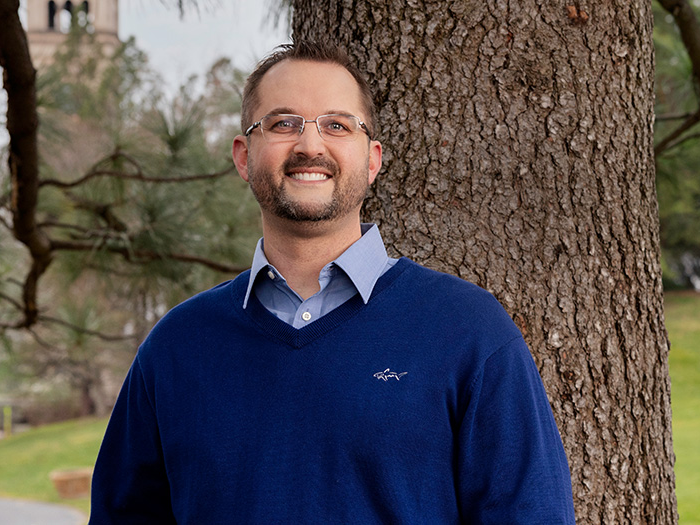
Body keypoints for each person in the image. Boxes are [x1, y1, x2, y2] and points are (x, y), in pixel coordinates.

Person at [90, 40, 576, 523]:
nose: (309, 145)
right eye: (283, 124)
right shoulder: (176, 347)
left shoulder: (469, 332)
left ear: (372, 159)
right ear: (243, 156)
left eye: (337, 125)